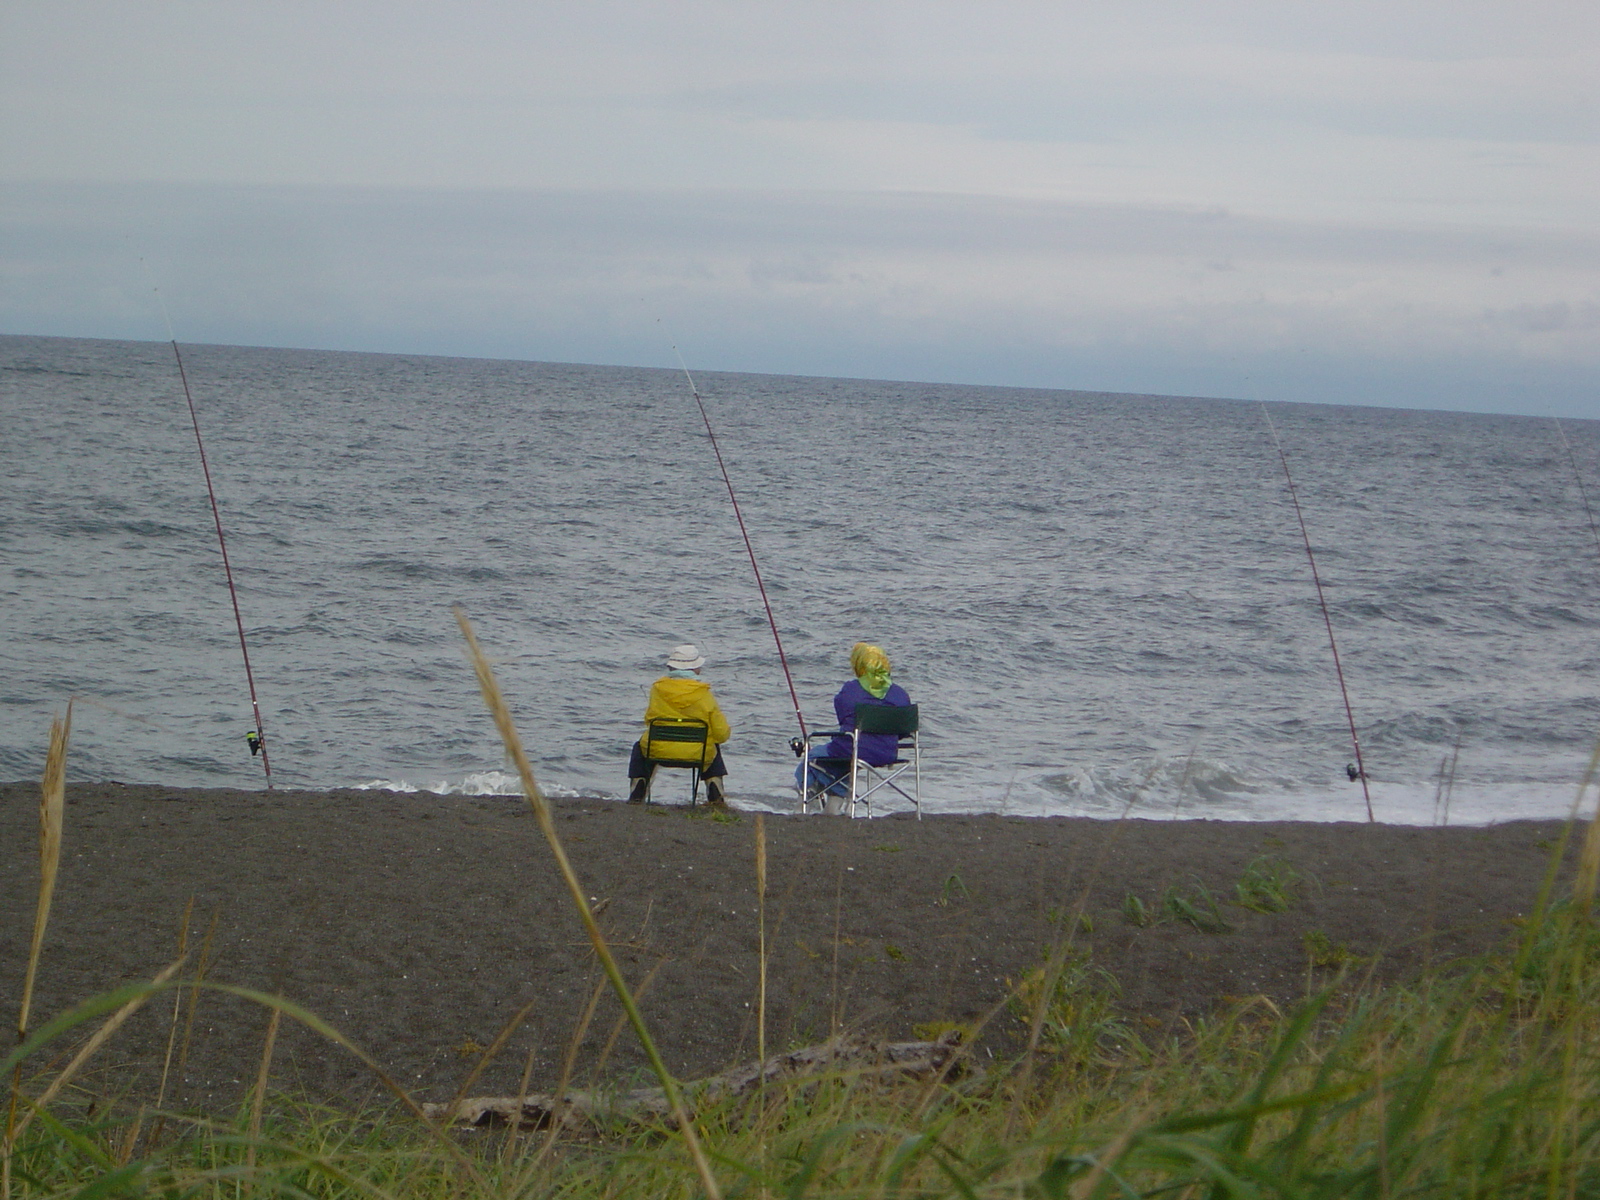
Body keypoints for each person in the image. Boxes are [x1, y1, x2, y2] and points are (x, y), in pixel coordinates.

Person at [796, 642, 912, 809]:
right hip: (887, 752)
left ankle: (806, 805)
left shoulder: (851, 689)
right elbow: (903, 730)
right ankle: (833, 808)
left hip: (850, 749)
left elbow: (843, 720)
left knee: (812, 759)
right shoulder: (900, 694)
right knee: (842, 764)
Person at [628, 644, 731, 805]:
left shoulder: (657, 689)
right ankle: (715, 791)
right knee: (713, 746)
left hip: (659, 750)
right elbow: (721, 734)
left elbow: (649, 719)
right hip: (697, 754)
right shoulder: (703, 693)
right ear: (695, 668)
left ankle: (638, 789)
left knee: (640, 748)